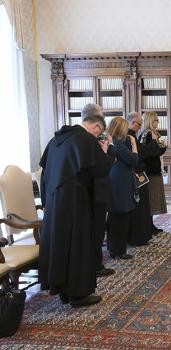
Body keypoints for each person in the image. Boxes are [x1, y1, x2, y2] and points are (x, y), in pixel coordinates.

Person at [39, 104, 111, 307]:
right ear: (95, 126)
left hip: (54, 201)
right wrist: (104, 151)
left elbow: (45, 170)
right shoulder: (85, 139)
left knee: (61, 244)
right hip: (75, 201)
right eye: (99, 131)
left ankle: (62, 289)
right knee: (78, 245)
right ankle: (79, 294)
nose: (99, 135)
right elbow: (101, 169)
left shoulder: (56, 139)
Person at [84, 105, 116, 278]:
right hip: (95, 191)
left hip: (99, 189)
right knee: (96, 231)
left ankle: (96, 262)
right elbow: (105, 163)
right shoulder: (89, 140)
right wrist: (110, 147)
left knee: (98, 229)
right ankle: (96, 265)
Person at [106, 117, 138, 260]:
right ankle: (118, 250)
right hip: (120, 183)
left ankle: (116, 248)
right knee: (120, 217)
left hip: (119, 181)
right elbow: (133, 159)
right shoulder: (117, 143)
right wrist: (134, 144)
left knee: (118, 217)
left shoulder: (114, 141)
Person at [126, 112, 157, 246]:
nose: (140, 126)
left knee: (143, 205)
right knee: (140, 206)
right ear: (132, 123)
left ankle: (143, 234)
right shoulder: (129, 136)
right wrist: (154, 143)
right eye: (139, 124)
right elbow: (139, 154)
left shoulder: (132, 135)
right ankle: (139, 236)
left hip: (139, 172)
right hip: (136, 173)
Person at [139, 112, 168, 233]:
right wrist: (163, 147)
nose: (158, 122)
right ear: (150, 121)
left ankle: (150, 225)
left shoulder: (147, 133)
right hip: (150, 171)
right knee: (151, 199)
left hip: (151, 170)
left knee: (152, 198)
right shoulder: (148, 134)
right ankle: (149, 226)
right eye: (156, 120)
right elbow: (150, 152)